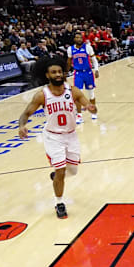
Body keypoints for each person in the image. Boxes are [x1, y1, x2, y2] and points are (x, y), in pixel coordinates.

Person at [17, 56, 96, 219]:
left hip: (71, 135)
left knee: (72, 172)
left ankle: (56, 177)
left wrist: (91, 107)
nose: (58, 74)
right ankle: (59, 203)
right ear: (47, 75)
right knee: (60, 170)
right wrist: (21, 125)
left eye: (60, 71)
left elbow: (88, 105)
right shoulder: (42, 95)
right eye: (54, 72)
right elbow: (26, 113)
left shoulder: (73, 91)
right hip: (53, 137)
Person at [67, 32, 99, 123]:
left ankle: (93, 112)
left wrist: (96, 69)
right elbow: (69, 62)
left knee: (91, 94)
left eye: (80, 37)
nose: (79, 39)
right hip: (78, 73)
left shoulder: (88, 47)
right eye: (77, 37)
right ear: (74, 39)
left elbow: (94, 59)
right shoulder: (70, 49)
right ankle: (79, 115)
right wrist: (65, 72)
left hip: (88, 73)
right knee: (77, 95)